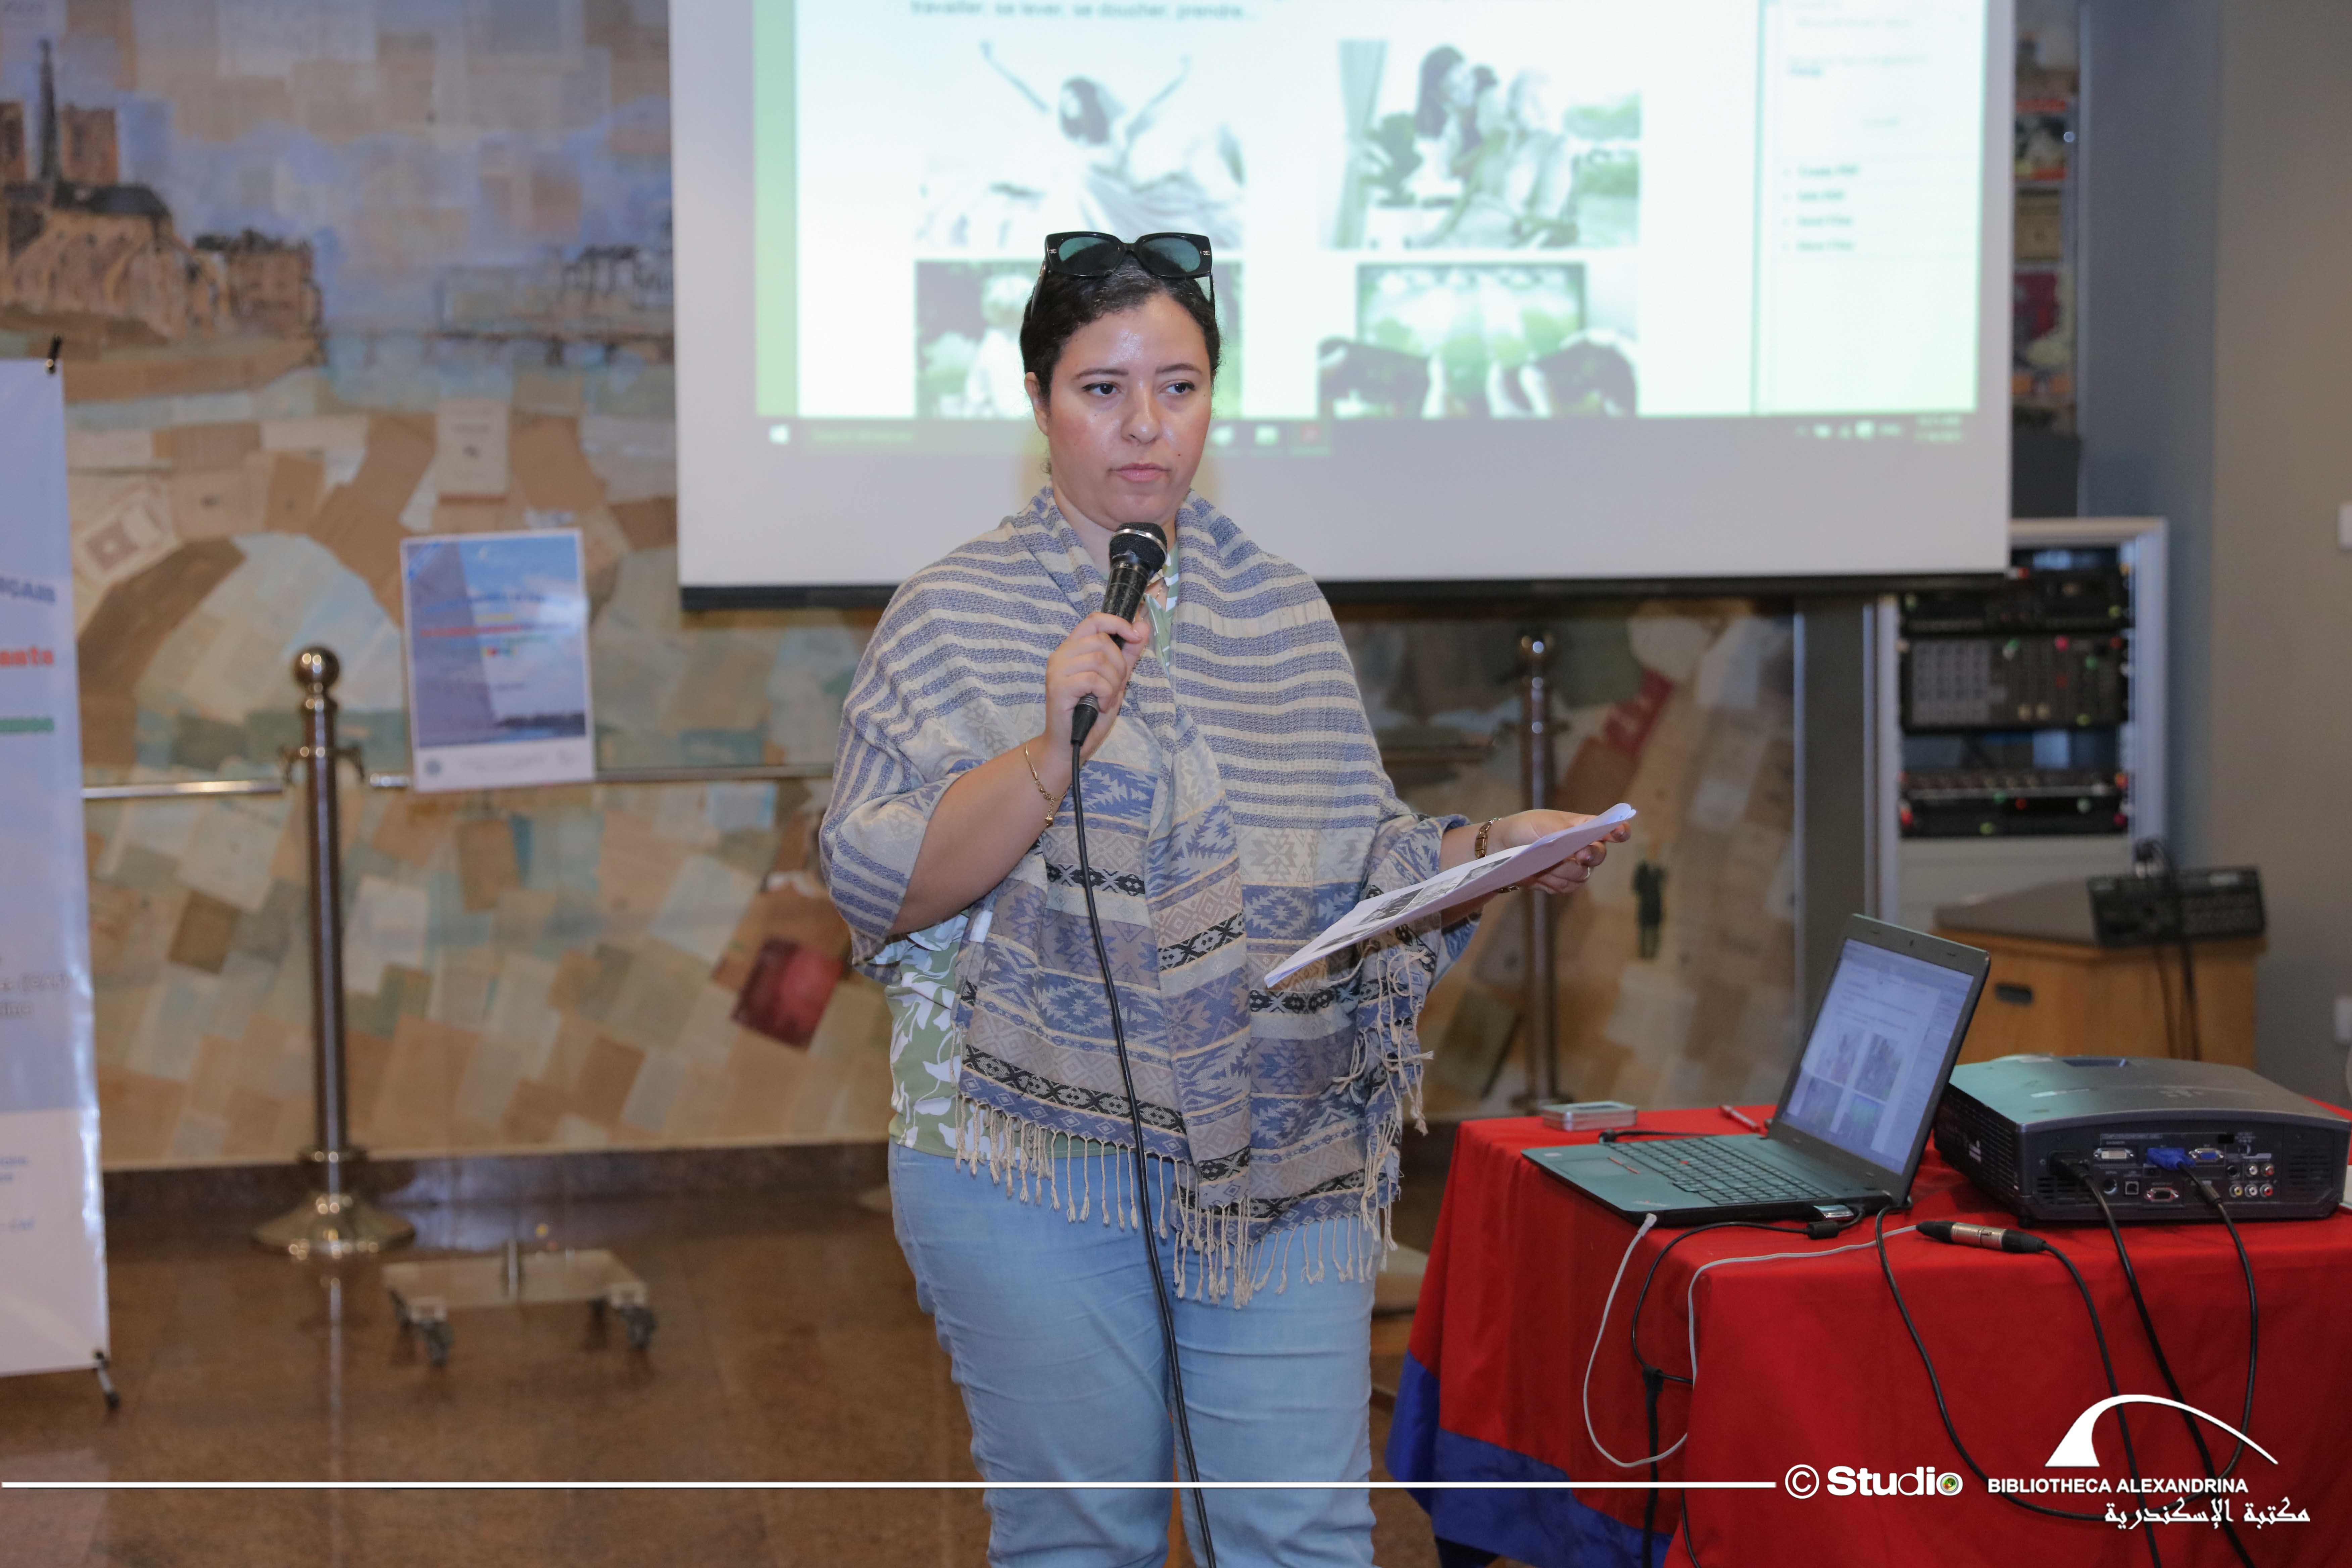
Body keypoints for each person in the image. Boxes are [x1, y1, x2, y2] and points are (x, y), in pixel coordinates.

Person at [820, 235, 1626, 1567]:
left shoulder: (1285, 612)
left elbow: (1362, 866)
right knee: (1087, 1541)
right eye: (1103, 389)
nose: (1147, 424)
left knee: (1302, 1534)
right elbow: (876, 880)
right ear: (1038, 402)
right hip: (1025, 1157)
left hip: (1282, 1141)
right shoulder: (950, 613)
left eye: (1180, 387)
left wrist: (1492, 846)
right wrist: (1049, 754)